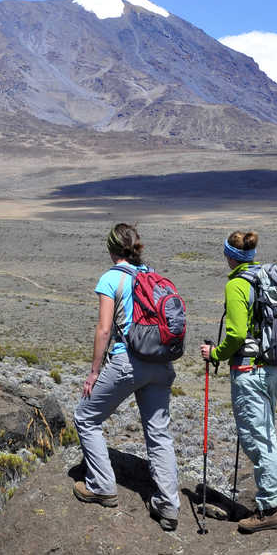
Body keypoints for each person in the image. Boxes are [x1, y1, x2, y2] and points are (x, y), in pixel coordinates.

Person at [73, 223, 180, 531]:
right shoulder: (151, 275)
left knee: (85, 418)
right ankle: (169, 505)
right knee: (159, 434)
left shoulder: (112, 278)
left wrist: (94, 372)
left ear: (111, 249)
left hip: (128, 361)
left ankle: (102, 485)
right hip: (161, 364)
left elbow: (104, 329)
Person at [199, 230, 277, 533]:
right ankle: (273, 501)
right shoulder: (264, 278)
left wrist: (216, 352)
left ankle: (271, 509)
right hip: (272, 369)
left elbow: (236, 334)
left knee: (256, 439)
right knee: (266, 434)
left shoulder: (238, 285)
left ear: (230, 256)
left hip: (250, 371)